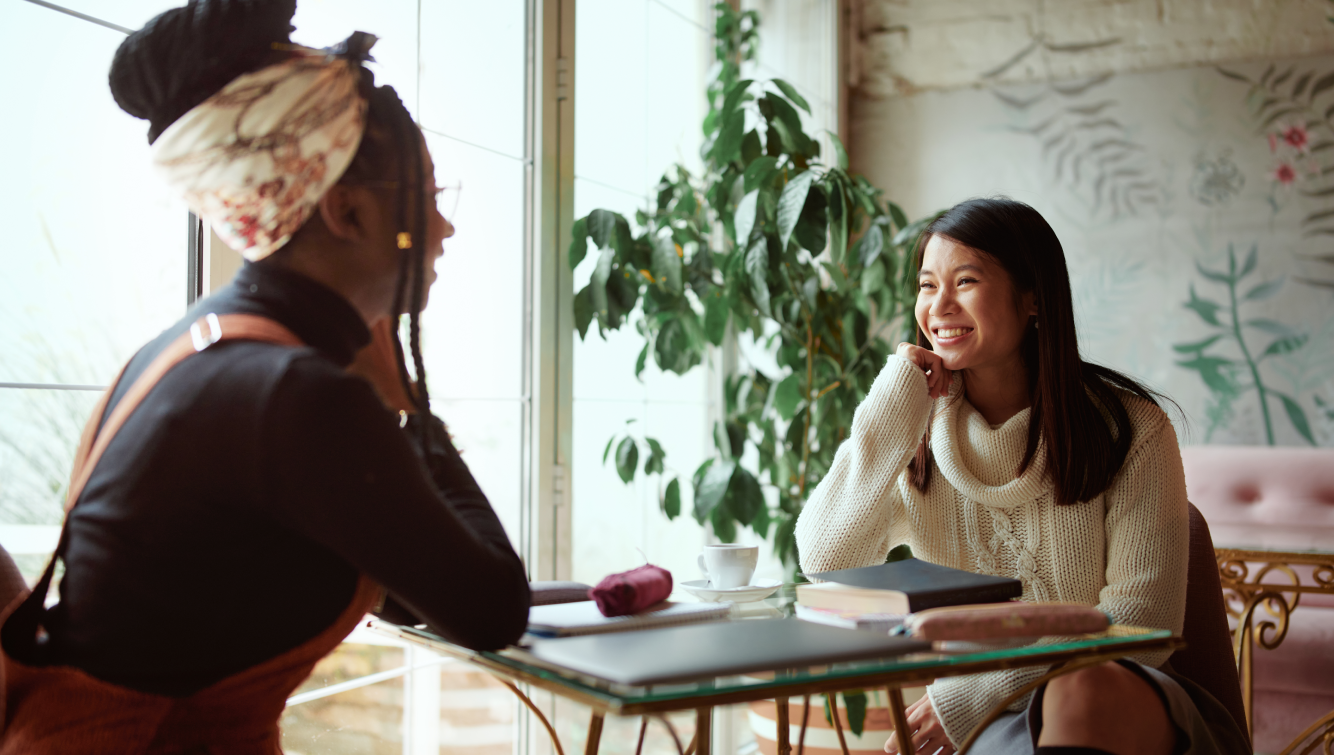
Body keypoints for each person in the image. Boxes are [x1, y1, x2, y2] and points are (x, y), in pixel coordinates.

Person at [0, 0, 530, 751]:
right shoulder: (298, 396)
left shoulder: (189, 351)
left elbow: (407, 583)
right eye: (428, 197)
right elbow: (491, 607)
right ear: (345, 211)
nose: (444, 228)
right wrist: (408, 412)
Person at [794, 198, 1249, 755]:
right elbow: (825, 559)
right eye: (926, 285)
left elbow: (1140, 623)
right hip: (986, 724)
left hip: (1129, 704)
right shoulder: (912, 432)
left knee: (1080, 689)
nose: (939, 306)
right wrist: (894, 399)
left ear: (1033, 298)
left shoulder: (1132, 429)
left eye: (964, 281)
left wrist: (973, 696)